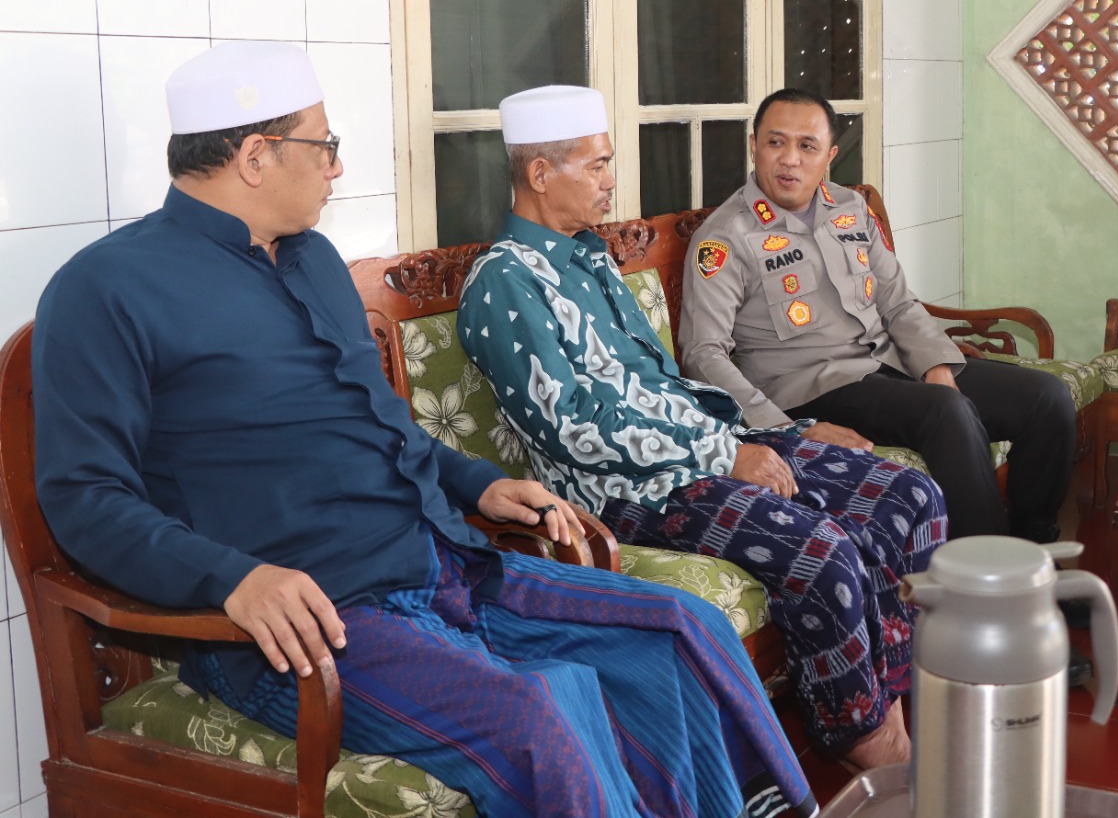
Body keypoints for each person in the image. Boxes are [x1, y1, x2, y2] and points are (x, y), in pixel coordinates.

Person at [31, 44, 816, 818]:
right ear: (256, 156)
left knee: (681, 625)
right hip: (312, 626)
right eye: (324, 145)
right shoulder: (106, 289)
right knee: (539, 715)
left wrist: (480, 484)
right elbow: (84, 498)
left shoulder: (311, 260)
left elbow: (379, 424)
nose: (337, 167)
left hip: (441, 561)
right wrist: (234, 580)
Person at [458, 86, 947, 771]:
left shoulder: (589, 255)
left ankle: (891, 694)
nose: (611, 180)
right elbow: (574, 430)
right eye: (597, 165)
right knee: (823, 550)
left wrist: (781, 432)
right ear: (540, 174)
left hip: (700, 442)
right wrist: (724, 453)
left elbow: (665, 386)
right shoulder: (506, 282)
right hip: (624, 490)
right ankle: (867, 738)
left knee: (909, 496)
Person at [677, 89, 1079, 546]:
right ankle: (985, 569)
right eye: (775, 142)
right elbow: (703, 353)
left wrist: (936, 366)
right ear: (754, 146)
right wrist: (787, 430)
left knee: (1046, 399)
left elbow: (898, 302)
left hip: (888, 366)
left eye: (807, 146)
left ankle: (1035, 547)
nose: (789, 159)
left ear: (829, 155)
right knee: (945, 411)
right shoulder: (726, 237)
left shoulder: (849, 209)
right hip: (811, 389)